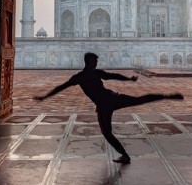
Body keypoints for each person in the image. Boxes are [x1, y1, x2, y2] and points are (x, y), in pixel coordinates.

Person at [33, 52, 184, 164]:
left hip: (105, 103)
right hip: (111, 99)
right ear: (89, 62)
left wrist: (45, 97)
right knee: (138, 101)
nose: (97, 63)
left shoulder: (80, 76)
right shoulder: (90, 74)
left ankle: (124, 155)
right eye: (95, 61)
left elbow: (62, 87)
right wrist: (128, 79)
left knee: (107, 133)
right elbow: (113, 76)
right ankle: (166, 96)